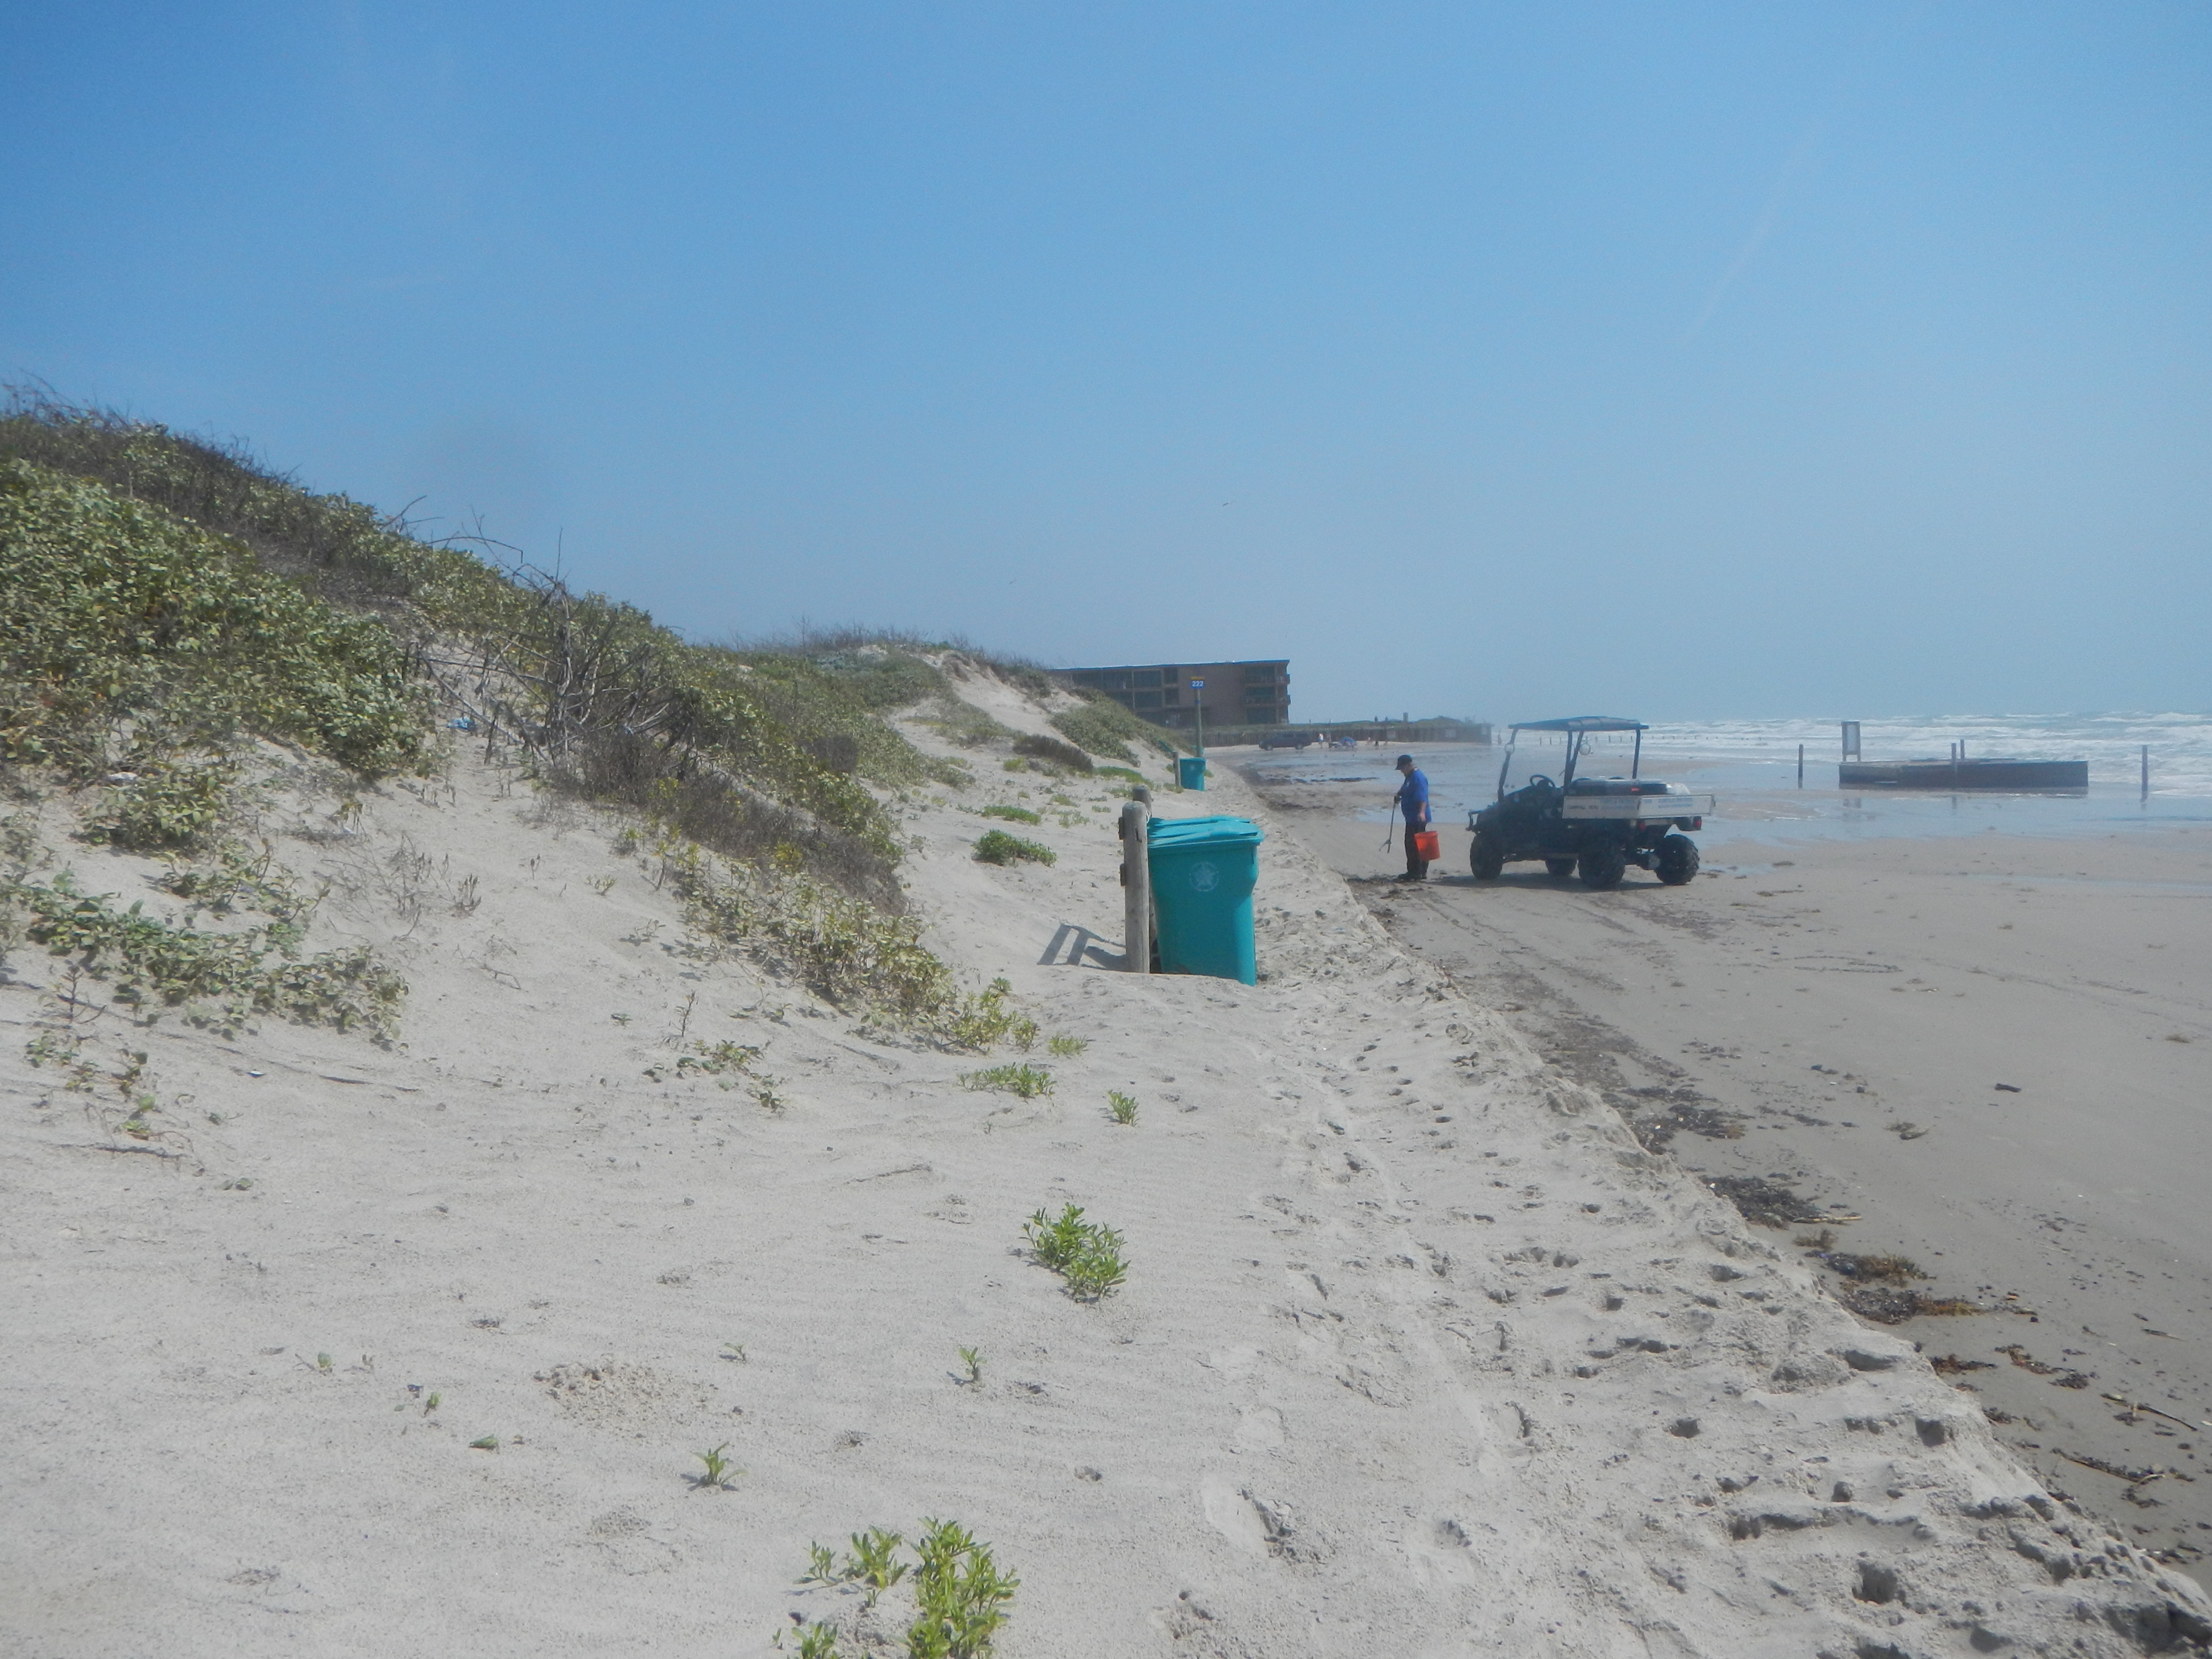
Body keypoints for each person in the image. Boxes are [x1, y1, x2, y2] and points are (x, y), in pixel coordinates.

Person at [1392, 753, 1431, 881]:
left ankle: (1418, 873)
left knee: (1416, 845)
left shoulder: (1418, 778)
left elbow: (1423, 797)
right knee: (1410, 845)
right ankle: (1414, 871)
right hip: (1410, 818)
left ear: (1409, 765)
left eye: (1403, 768)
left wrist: (1422, 813)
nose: (1401, 771)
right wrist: (1399, 795)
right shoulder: (1409, 777)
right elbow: (1405, 789)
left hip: (1417, 818)